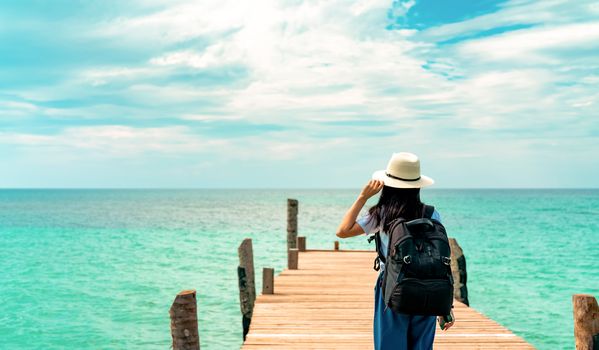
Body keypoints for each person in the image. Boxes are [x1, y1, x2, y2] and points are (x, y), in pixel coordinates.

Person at [336, 152, 455, 350]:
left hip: (393, 287)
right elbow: (440, 259)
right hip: (429, 288)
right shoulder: (432, 213)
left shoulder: (382, 214)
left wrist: (363, 196)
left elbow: (343, 231)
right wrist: (446, 306)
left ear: (388, 184)